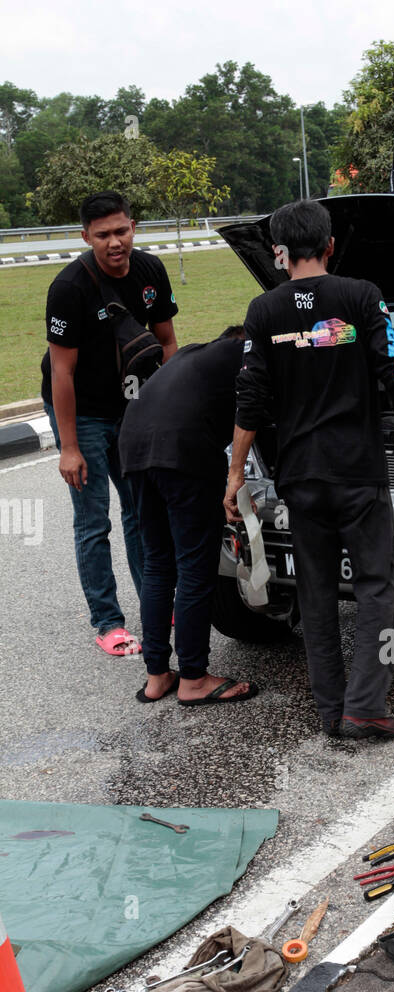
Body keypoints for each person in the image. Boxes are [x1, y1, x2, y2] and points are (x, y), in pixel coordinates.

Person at [226, 199, 394, 741]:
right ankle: (365, 708)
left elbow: (250, 399)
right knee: (379, 587)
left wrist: (235, 475)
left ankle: (332, 711)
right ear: (330, 246)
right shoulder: (362, 296)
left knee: (316, 592)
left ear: (280, 253)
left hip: (300, 477)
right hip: (358, 474)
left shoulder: (263, 312)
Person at [42, 191, 178, 657]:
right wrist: (69, 447)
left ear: (133, 227)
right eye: (103, 235)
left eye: (121, 231)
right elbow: (61, 372)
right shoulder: (69, 288)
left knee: (142, 511)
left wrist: (171, 408)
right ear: (86, 237)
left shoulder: (151, 270)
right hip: (80, 410)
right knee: (92, 519)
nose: (114, 242)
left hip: (132, 406)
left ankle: (154, 602)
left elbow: (167, 343)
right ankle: (108, 622)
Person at [118, 328, 259, 707]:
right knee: (195, 566)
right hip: (182, 449)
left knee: (159, 565)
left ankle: (157, 676)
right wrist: (238, 487)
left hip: (132, 446)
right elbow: (256, 412)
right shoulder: (246, 350)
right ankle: (194, 678)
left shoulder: (195, 357)